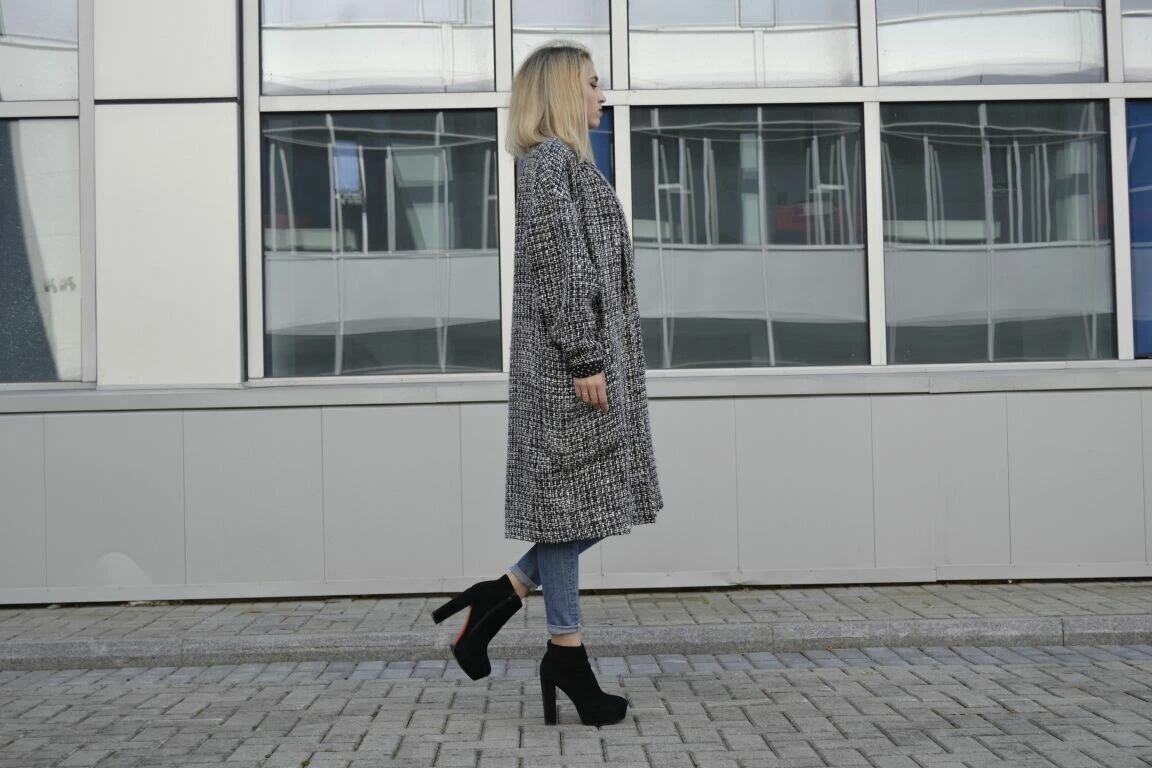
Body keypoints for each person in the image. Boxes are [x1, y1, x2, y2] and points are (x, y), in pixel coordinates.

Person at [432, 41, 663, 727]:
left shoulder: (564, 166)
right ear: (562, 92)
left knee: (578, 512)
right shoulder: (547, 167)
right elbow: (565, 270)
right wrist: (585, 358)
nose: (602, 95)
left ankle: (504, 599)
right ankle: (564, 652)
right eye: (592, 84)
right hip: (571, 374)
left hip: (582, 367)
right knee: (572, 513)